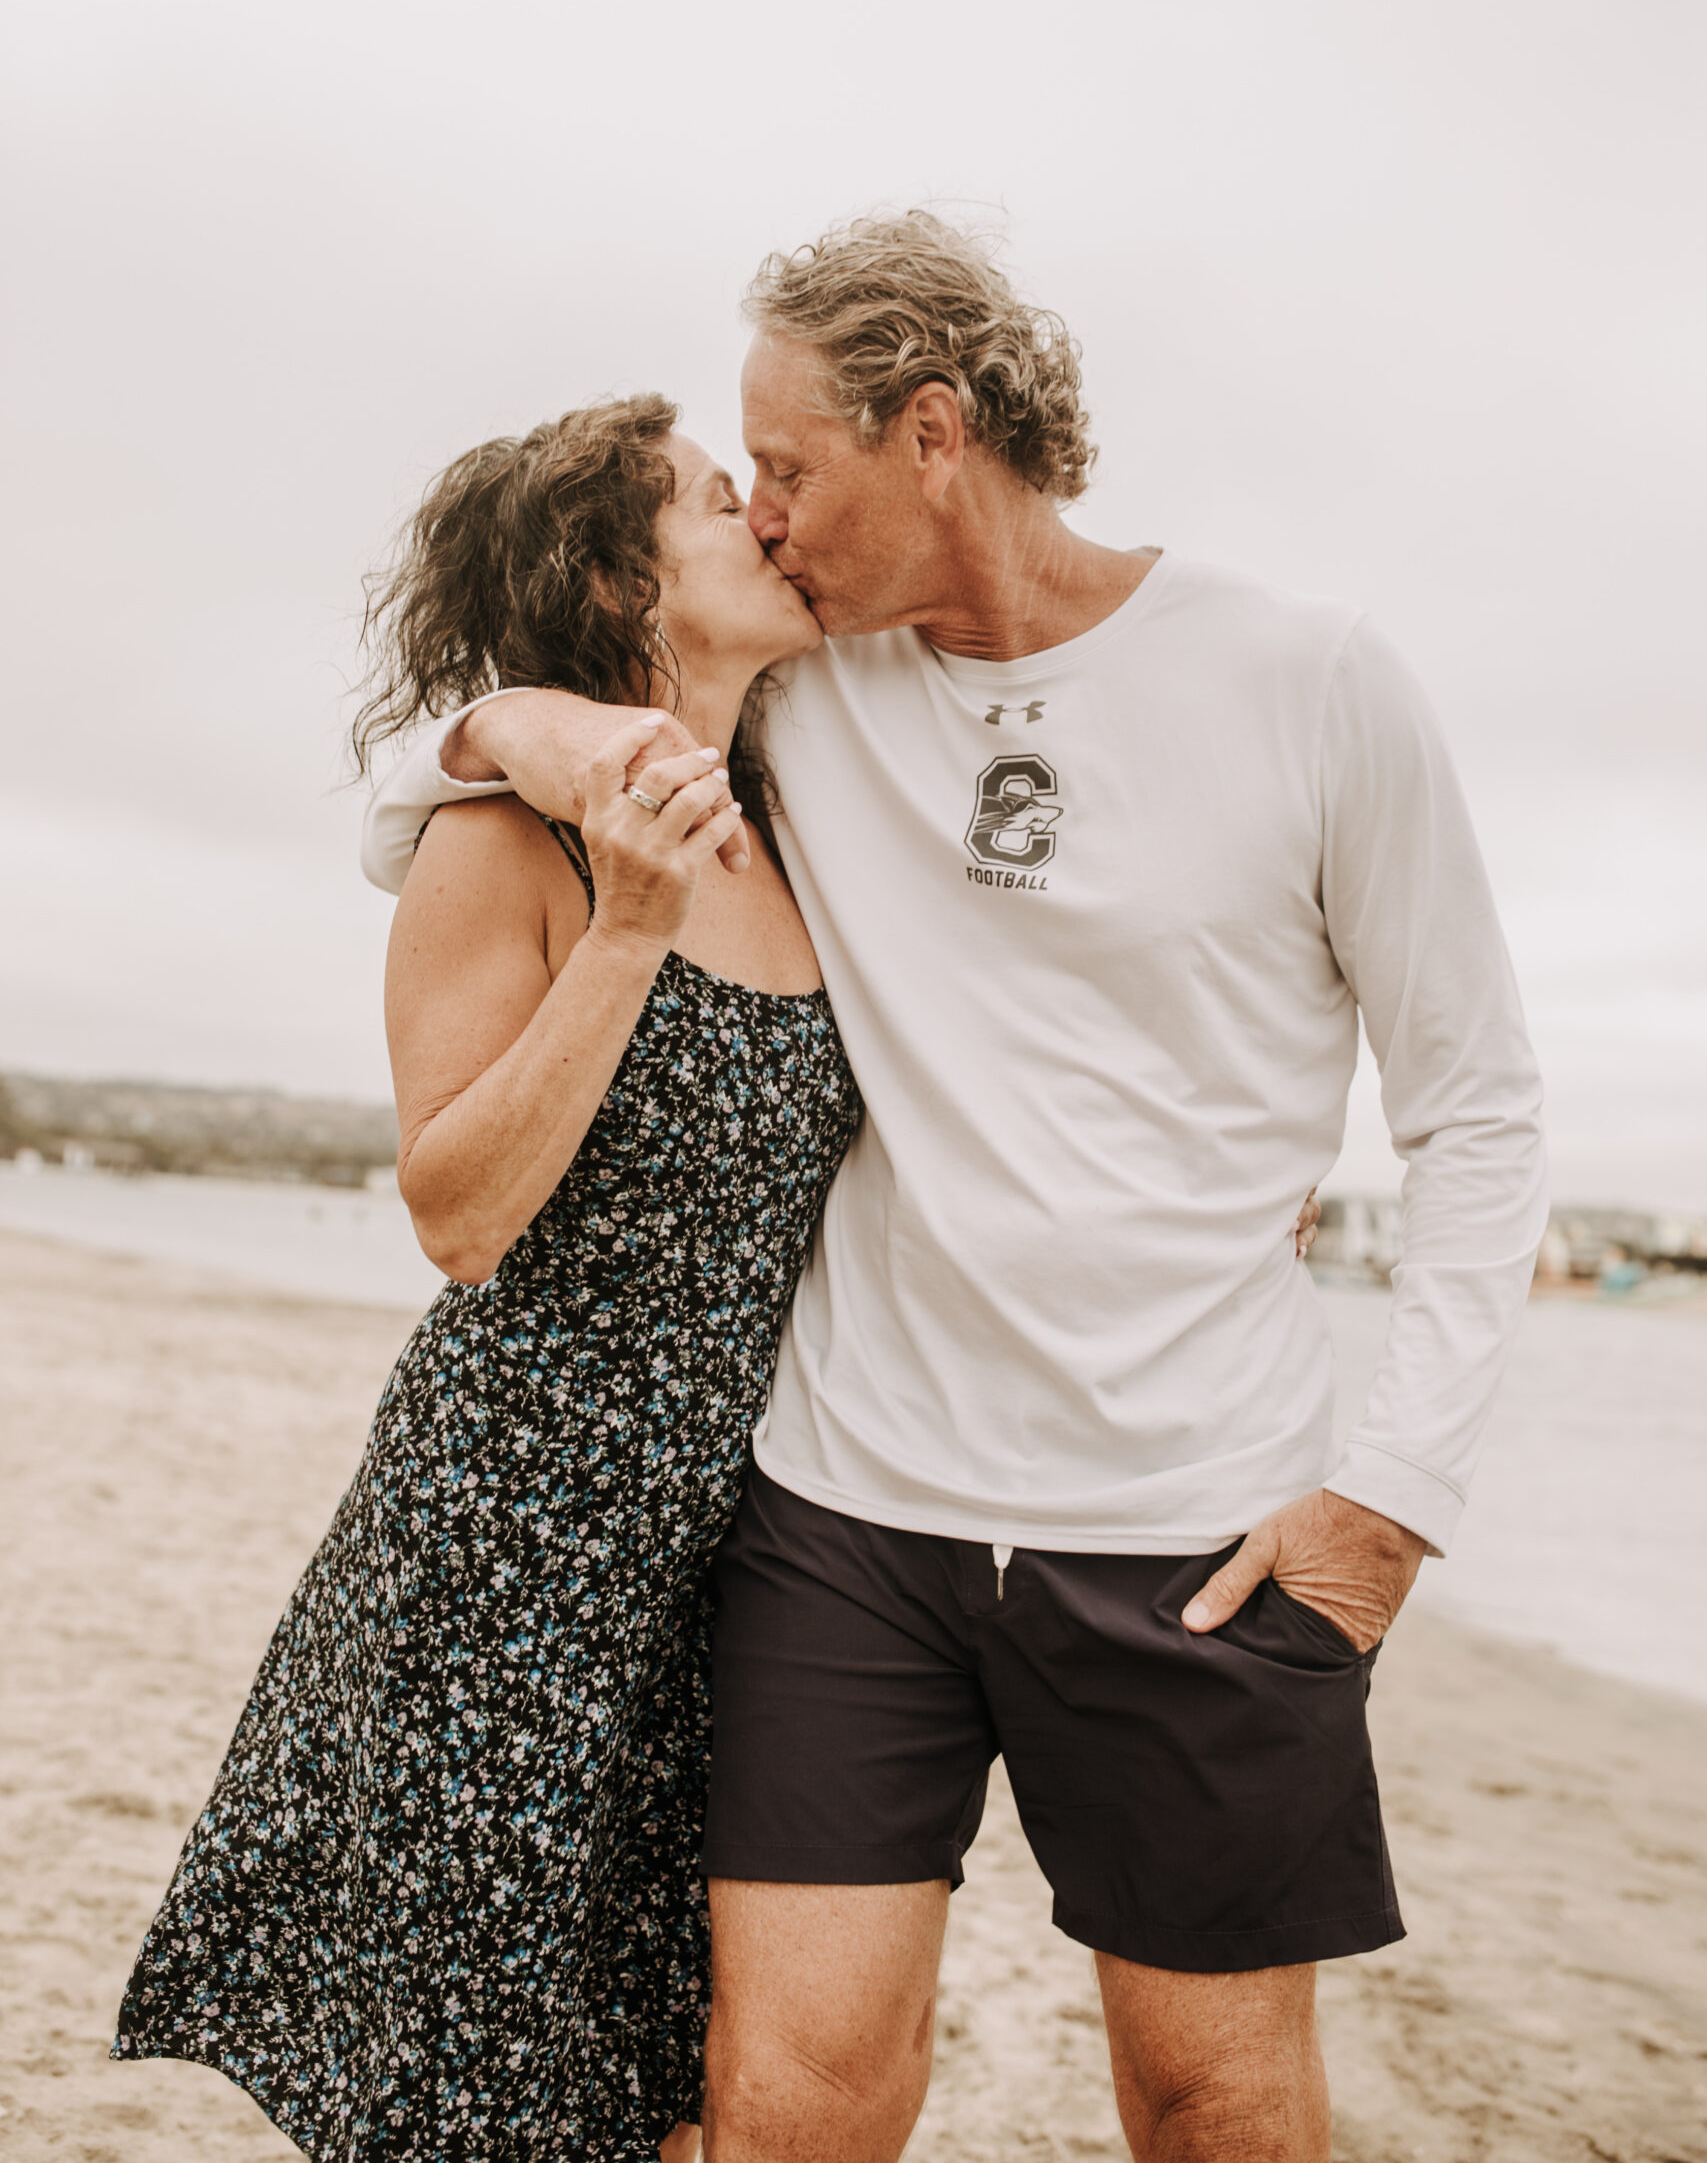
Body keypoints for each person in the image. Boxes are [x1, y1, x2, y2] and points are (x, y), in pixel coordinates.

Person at [362, 213, 1547, 2163]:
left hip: (1199, 1517)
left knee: (1215, 2099)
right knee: (785, 2102)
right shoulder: (811, 693)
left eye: (790, 468)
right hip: (846, 1514)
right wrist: (509, 726)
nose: (758, 515)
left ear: (929, 434)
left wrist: (1393, 1498)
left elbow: (1479, 1109)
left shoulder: (1310, 679)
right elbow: (485, 745)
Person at [112, 395, 864, 2161]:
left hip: (739, 1543)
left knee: (663, 2063)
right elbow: (455, 1213)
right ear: (615, 577)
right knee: (467, 2090)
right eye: (704, 501)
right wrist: (625, 929)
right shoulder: (495, 846)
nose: (757, 513)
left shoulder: (812, 821)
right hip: (508, 1531)